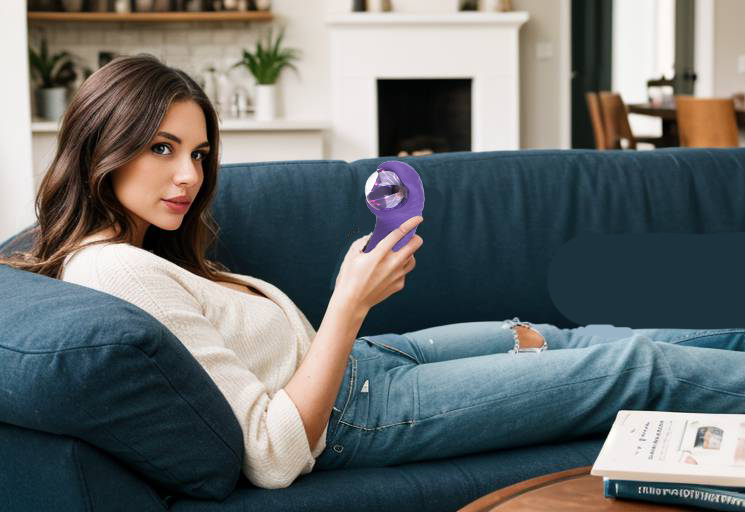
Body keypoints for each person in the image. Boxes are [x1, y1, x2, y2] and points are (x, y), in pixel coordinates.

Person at [3, 54, 745, 490]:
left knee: (564, 336)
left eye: (196, 153)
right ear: (105, 144)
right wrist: (348, 304)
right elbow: (270, 454)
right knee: (625, 368)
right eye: (161, 148)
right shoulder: (115, 273)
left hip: (370, 364)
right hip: (356, 414)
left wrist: (350, 321)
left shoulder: (132, 248)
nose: (188, 176)